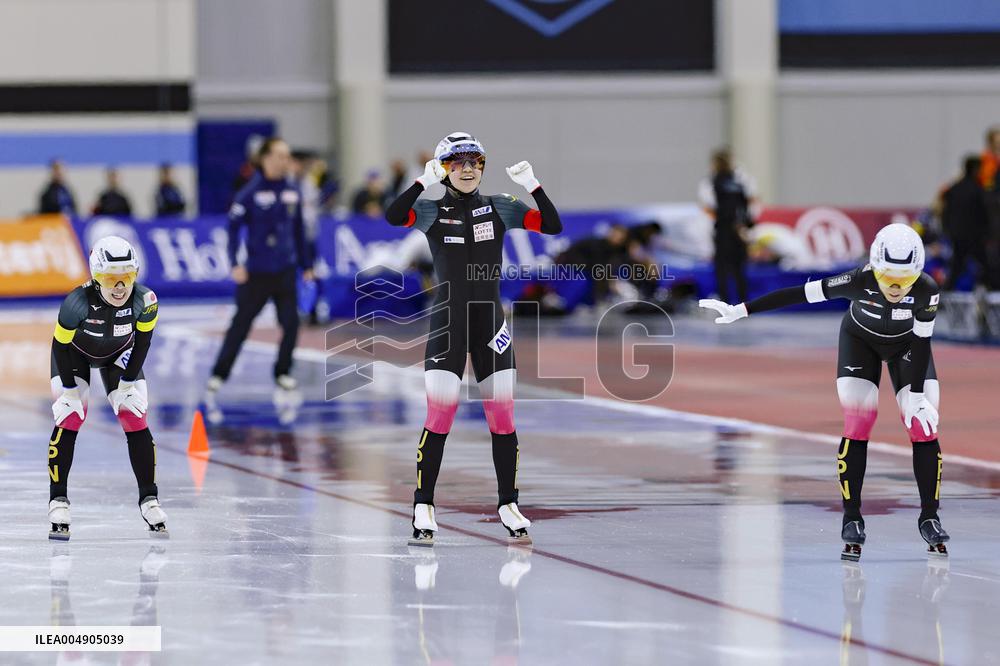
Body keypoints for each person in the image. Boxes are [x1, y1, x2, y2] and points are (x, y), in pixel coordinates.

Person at [700, 223, 949, 561]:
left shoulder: (927, 290)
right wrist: (741, 310)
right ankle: (852, 518)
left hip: (908, 347)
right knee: (860, 420)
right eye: (888, 276)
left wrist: (917, 397)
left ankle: (930, 517)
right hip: (860, 343)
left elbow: (921, 342)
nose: (894, 286)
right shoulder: (857, 280)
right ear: (875, 266)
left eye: (904, 279)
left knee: (922, 425)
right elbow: (796, 293)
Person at [385, 131, 562, 546]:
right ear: (444, 168)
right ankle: (423, 504)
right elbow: (394, 217)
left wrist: (532, 185)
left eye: (475, 162)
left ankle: (508, 503)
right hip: (448, 325)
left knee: (503, 418)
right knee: (440, 416)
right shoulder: (430, 210)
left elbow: (552, 226)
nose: (467, 170)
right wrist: (418, 185)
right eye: (458, 163)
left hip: (491, 326)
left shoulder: (501, 206)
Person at [47, 236, 167, 540]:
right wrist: (70, 391)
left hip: (119, 355)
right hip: (74, 355)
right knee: (71, 415)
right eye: (110, 279)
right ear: (95, 277)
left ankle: (149, 499)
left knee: (134, 414)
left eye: (126, 278)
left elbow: (143, 344)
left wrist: (127, 384)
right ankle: (58, 500)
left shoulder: (146, 300)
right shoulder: (76, 303)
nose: (119, 287)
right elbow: (60, 347)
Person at [206, 138, 314, 397]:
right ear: (265, 158)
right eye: (279, 155)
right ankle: (219, 374)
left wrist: (306, 264)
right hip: (256, 272)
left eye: (287, 156)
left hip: (285, 270)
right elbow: (232, 229)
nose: (284, 161)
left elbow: (299, 230)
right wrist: (235, 263)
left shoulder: (292, 191)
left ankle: (283, 372)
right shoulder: (249, 193)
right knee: (240, 325)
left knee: (291, 323)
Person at [698, 149, 757, 303]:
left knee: (724, 270)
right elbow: (749, 206)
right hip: (738, 230)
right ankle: (744, 304)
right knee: (738, 270)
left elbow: (709, 206)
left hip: (725, 230)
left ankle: (725, 303)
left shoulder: (711, 182)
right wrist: (746, 227)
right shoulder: (741, 181)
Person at [940, 155, 991, 289]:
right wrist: (987, 233)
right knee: (986, 266)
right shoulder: (978, 190)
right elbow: (984, 215)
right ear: (976, 169)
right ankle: (991, 293)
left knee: (957, 266)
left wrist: (947, 230)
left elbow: (945, 213)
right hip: (974, 237)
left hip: (957, 236)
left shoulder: (954, 189)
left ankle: (946, 293)